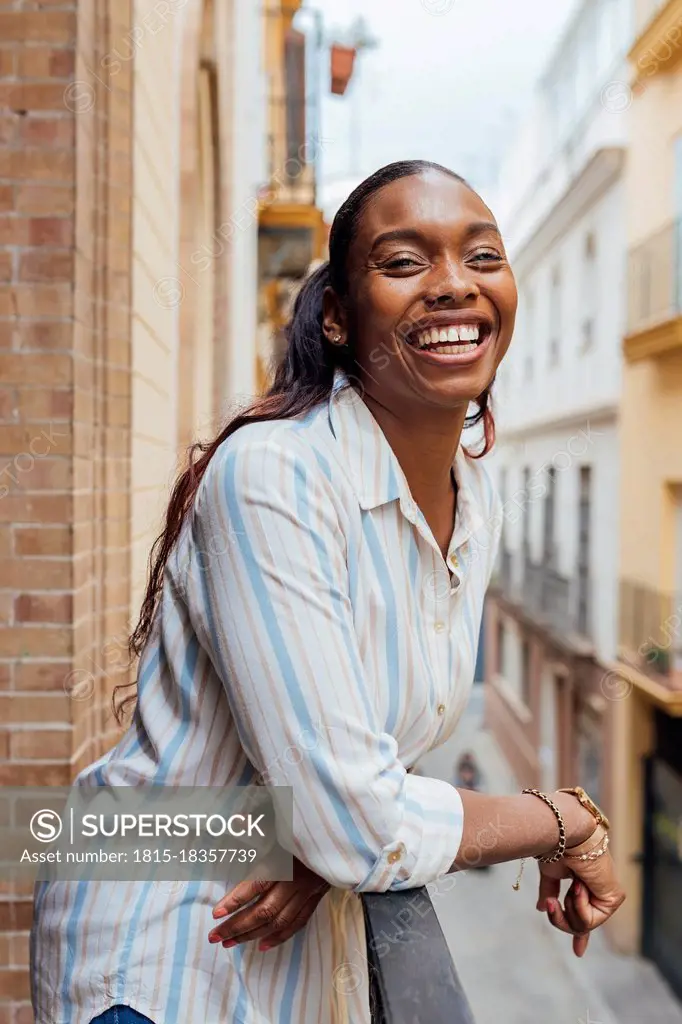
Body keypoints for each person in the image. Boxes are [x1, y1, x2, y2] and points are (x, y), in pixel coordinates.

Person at [31, 160, 625, 1024]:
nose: (454, 284)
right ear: (341, 316)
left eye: (482, 255)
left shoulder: (476, 495)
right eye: (403, 261)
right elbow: (351, 818)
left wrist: (329, 828)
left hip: (293, 972)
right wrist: (564, 816)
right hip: (160, 961)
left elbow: (357, 790)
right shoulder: (276, 476)